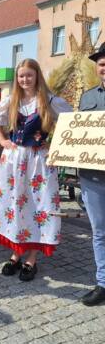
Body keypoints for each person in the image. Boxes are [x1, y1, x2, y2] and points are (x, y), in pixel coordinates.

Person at [0, 58, 72, 281]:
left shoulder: (49, 100)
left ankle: (32, 257)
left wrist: (54, 144)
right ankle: (16, 252)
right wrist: (2, 140)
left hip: (38, 161)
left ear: (37, 76)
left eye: (29, 75)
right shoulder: (11, 101)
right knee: (15, 203)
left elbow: (70, 123)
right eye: (21, 75)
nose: (24, 79)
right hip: (14, 160)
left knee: (37, 204)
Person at [79, 43, 105, 306]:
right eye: (101, 63)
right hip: (93, 175)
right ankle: (102, 282)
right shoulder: (87, 98)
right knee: (99, 231)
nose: (104, 67)